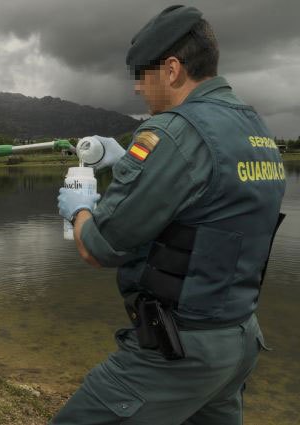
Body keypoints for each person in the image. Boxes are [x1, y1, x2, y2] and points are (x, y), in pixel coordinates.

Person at [54, 5, 285, 424]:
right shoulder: (256, 129)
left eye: (142, 75)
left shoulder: (171, 132)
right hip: (239, 340)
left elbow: (99, 247)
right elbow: (206, 206)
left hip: (180, 351)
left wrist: (79, 207)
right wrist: (128, 162)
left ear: (173, 69)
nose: (138, 88)